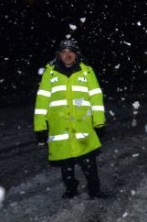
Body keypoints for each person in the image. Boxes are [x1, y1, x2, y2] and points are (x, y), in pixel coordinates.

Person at [33, 38, 108, 199]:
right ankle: (71, 188)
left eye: (71, 52)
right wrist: (40, 126)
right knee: (65, 161)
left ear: (76, 54)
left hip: (83, 125)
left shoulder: (86, 71)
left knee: (88, 161)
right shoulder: (50, 73)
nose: (67, 55)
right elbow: (42, 100)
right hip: (59, 126)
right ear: (59, 54)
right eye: (64, 52)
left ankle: (94, 189)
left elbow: (96, 97)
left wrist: (99, 121)